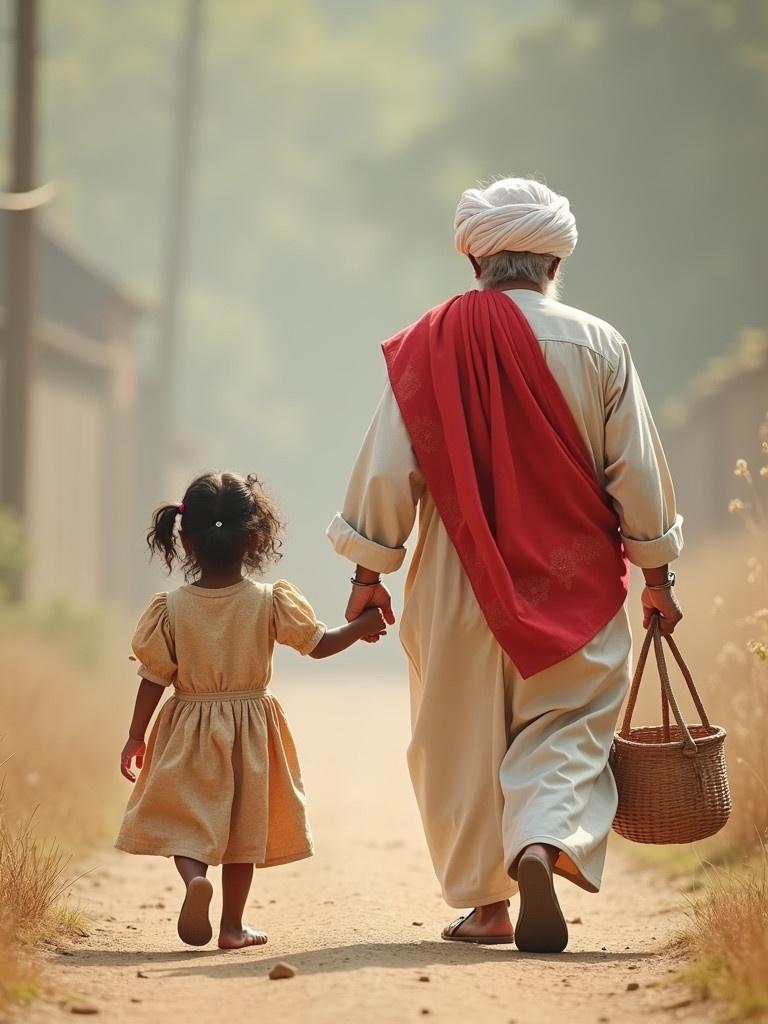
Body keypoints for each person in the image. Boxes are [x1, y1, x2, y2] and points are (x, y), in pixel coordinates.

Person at [327, 177, 683, 952]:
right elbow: (637, 473)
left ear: (476, 261)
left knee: (460, 738)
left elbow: (392, 468)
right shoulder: (599, 343)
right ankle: (539, 842)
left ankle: (486, 909)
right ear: (555, 260)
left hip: (457, 582)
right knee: (568, 723)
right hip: (575, 580)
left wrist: (368, 573)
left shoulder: (429, 341)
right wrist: (656, 575)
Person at [116, 471, 386, 949]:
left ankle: (194, 880)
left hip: (187, 724)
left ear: (184, 538)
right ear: (257, 536)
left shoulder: (170, 608)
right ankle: (232, 927)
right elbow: (319, 645)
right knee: (242, 827)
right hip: (249, 728)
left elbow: (153, 676)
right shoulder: (269, 600)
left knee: (185, 818)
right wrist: (364, 623)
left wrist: (136, 735)